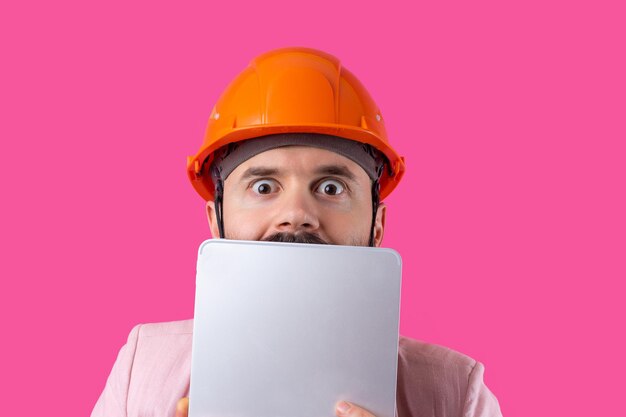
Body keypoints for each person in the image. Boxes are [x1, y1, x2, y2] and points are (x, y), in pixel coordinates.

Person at [91, 47, 502, 417]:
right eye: (264, 187)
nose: (297, 214)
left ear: (377, 226)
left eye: (331, 188)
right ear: (216, 221)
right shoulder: (142, 368)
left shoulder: (456, 394)